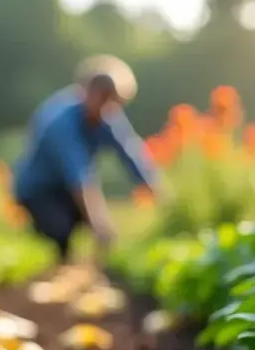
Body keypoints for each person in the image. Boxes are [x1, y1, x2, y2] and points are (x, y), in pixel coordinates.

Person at [11, 56, 159, 265]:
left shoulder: (107, 117)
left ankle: (64, 262)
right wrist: (100, 224)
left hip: (66, 191)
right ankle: (49, 260)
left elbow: (131, 155)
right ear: (88, 91)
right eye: (103, 96)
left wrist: (158, 193)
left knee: (75, 223)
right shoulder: (61, 121)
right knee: (59, 230)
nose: (108, 106)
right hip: (39, 191)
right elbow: (78, 178)